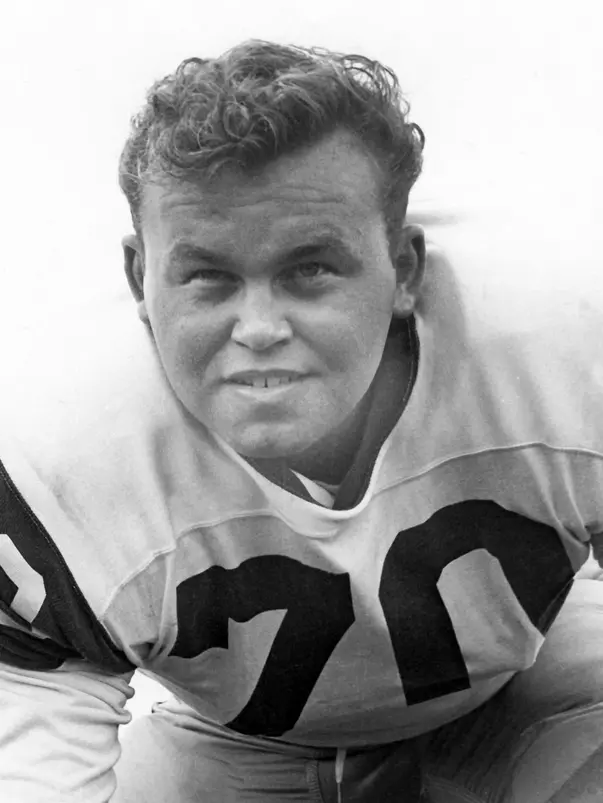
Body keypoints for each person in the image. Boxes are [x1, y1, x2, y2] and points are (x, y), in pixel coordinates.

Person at [0, 38, 602, 803]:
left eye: (308, 268)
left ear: (404, 268)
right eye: (208, 276)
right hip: (232, 742)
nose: (258, 328)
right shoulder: (62, 452)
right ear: (140, 278)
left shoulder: (564, 347)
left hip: (523, 693)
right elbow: (32, 739)